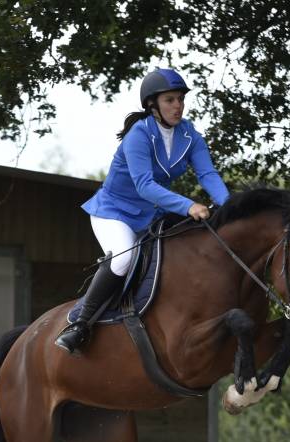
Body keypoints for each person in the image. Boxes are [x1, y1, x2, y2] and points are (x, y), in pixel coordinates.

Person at [55, 67, 231, 354]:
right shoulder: (139, 135)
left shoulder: (190, 136)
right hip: (114, 212)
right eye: (170, 100)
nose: (177, 106)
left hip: (151, 214)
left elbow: (208, 174)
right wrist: (189, 206)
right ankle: (80, 324)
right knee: (123, 259)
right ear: (153, 105)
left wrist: (229, 205)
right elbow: (145, 186)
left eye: (180, 100)